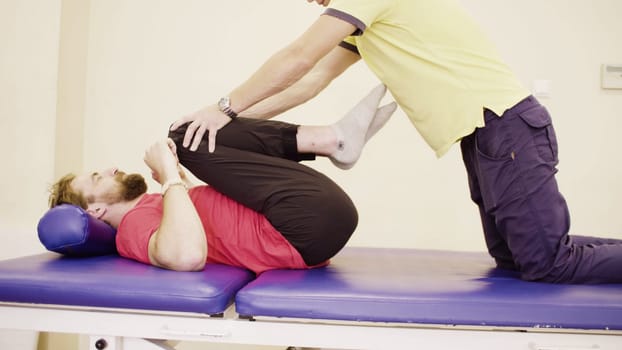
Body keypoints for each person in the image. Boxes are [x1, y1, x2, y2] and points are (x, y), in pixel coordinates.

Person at [170, 0, 622, 283]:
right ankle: (329, 139)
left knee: (547, 263)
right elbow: (309, 82)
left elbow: (299, 56)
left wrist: (225, 106)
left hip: (507, 127)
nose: (312, 2)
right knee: (514, 258)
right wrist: (222, 127)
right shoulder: (362, 26)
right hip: (485, 136)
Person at [48, 85, 397, 274]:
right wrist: (170, 176)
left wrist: (177, 180)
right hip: (297, 228)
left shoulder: (156, 205)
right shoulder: (132, 230)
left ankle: (333, 139)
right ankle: (334, 139)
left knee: (198, 133)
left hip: (305, 222)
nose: (110, 168)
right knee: (185, 137)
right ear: (94, 210)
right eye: (97, 177)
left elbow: (214, 221)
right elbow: (186, 256)